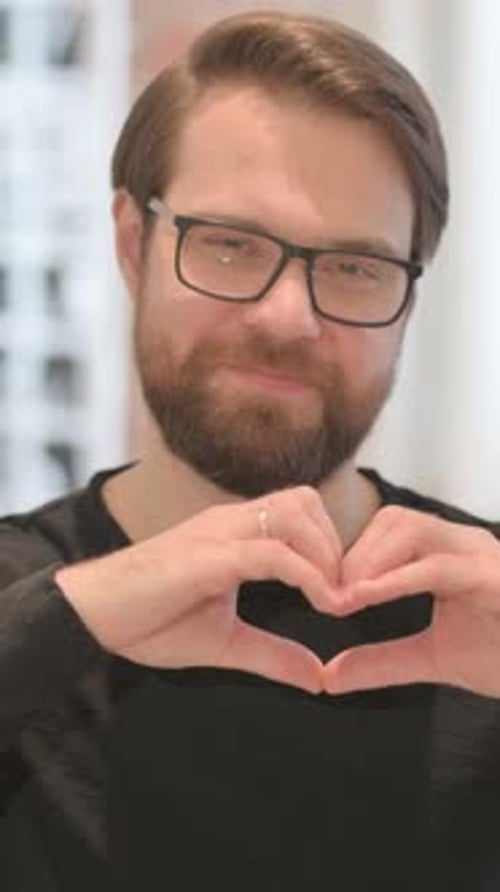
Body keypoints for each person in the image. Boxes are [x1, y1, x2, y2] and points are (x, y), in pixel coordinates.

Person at [1, 8, 500, 890]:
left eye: (355, 268)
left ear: (409, 299)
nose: (288, 317)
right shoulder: (21, 603)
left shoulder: (484, 616)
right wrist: (65, 623)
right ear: (133, 244)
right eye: (230, 246)